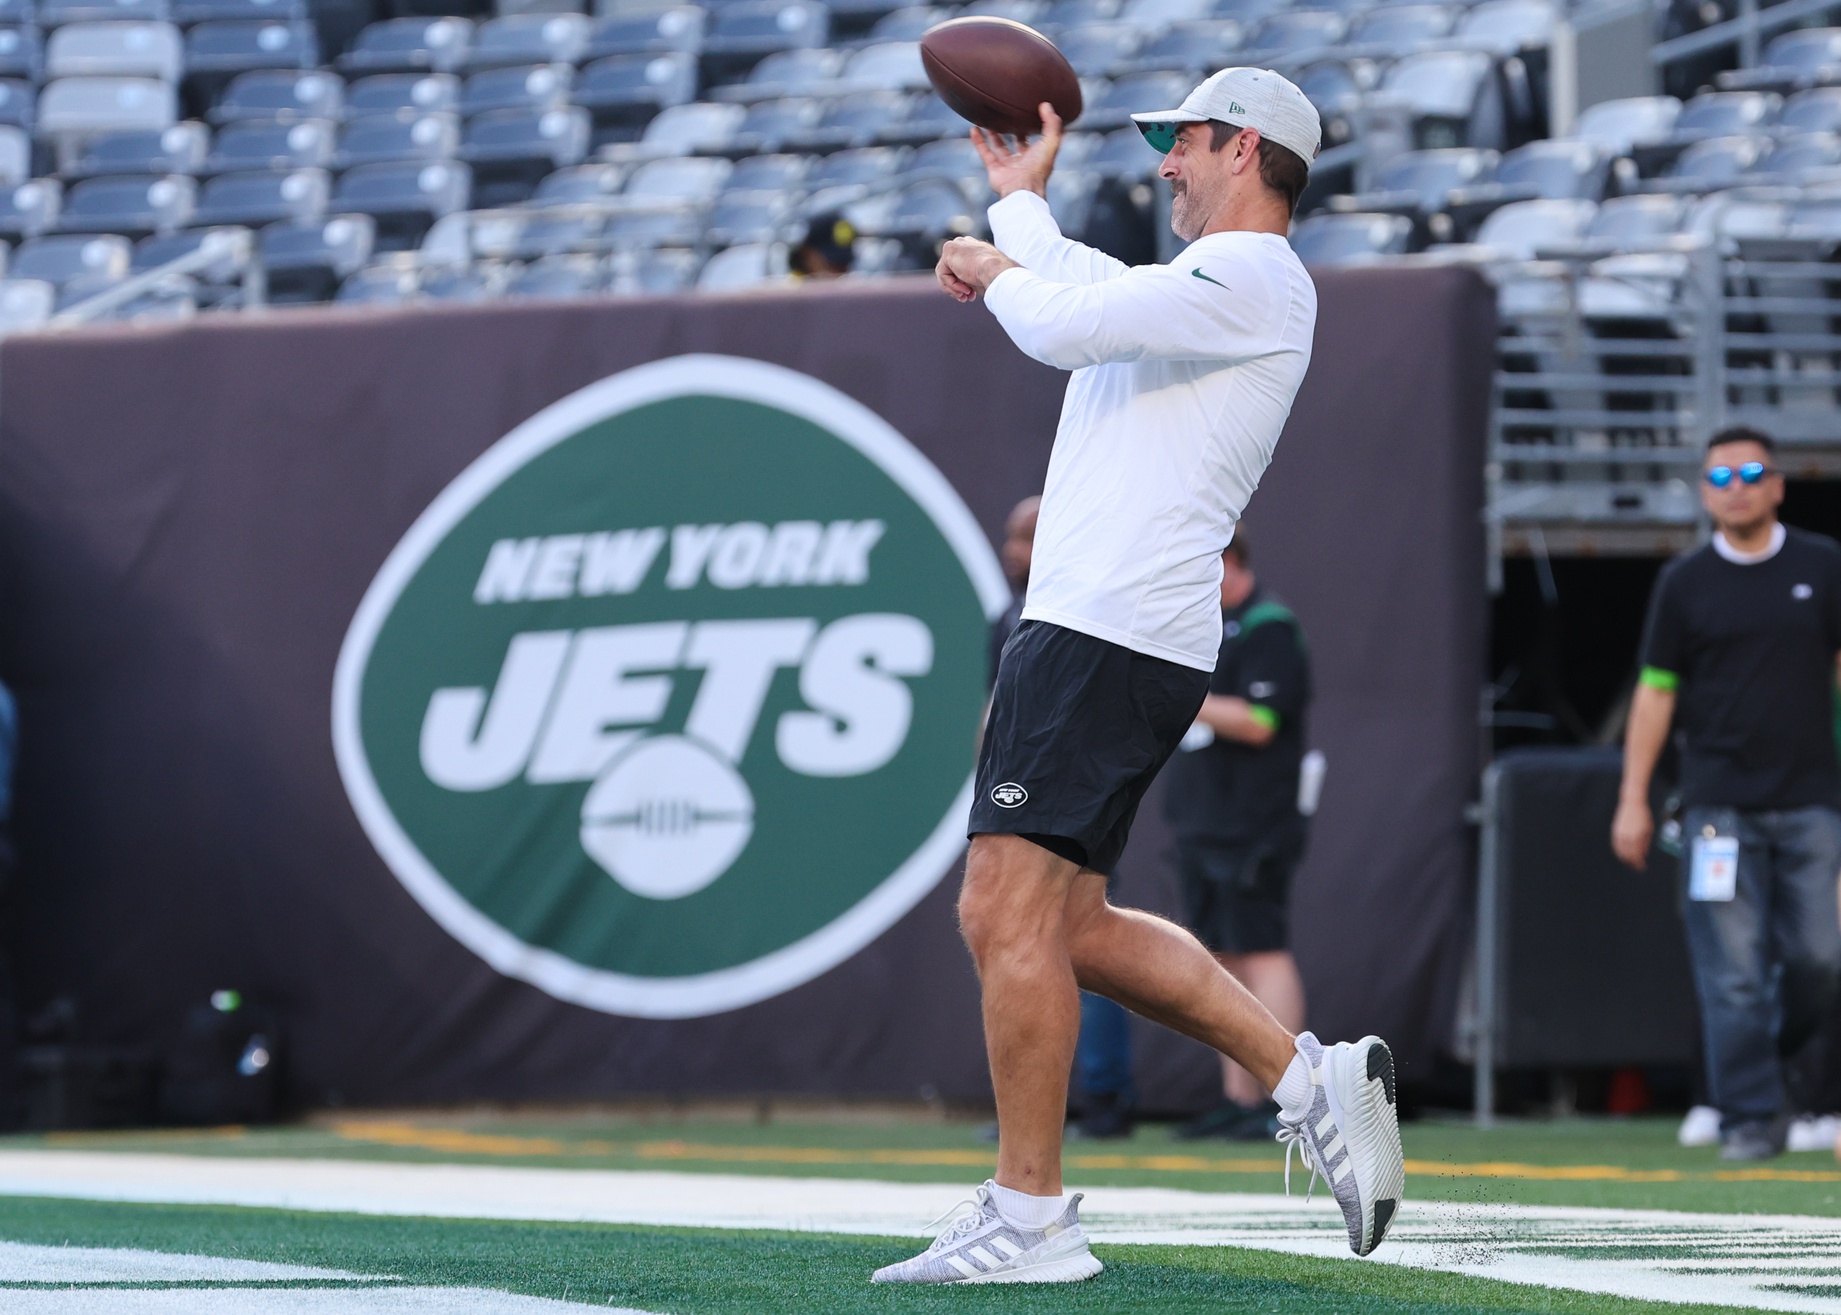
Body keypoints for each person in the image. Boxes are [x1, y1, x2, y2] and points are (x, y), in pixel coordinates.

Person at [873, 69, 1404, 1287]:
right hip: (1104, 629)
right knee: (1071, 927)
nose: (1165, 162)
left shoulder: (1254, 274)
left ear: (1245, 148)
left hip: (1106, 631)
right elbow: (1084, 292)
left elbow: (1061, 322)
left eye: (1185, 142)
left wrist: (994, 267)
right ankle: (1304, 1079)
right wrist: (1016, 204)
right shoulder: (1203, 285)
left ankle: (1031, 1216)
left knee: (998, 913)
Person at [1613, 427, 1841, 1162]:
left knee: (1818, 959)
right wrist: (1632, 797)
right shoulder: (1683, 582)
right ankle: (1748, 1117)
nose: (1735, 485)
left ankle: (1776, 1078)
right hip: (1716, 806)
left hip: (1810, 800)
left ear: (1777, 484)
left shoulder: (1821, 564)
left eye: (1749, 472)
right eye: (1719, 476)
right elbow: (1653, 693)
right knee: (1730, 971)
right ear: (1705, 493)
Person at [992, 493, 1138, 1141]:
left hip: (1066, 787)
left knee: (1074, 935)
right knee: (1016, 936)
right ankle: (1036, 1111)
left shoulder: (1083, 605)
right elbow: (995, 708)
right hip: (1012, 787)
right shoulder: (1005, 617)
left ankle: (1104, 1094)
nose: (1011, 552)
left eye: (1025, 538)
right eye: (1009, 538)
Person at [1162, 534, 1313, 1142]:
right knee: (1216, 956)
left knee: (1261, 947)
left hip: (1256, 822)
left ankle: (1289, 1097)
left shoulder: (1268, 628)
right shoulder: (1200, 629)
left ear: (1228, 562)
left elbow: (1258, 722)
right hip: (1202, 821)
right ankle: (1237, 1095)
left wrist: (1184, 697)